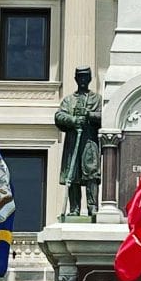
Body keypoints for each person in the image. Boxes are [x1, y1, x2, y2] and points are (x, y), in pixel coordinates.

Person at [54, 68, 102, 219]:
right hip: (73, 141)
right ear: (75, 79)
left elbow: (105, 115)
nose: (83, 80)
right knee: (72, 174)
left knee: (91, 173)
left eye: (85, 77)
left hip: (89, 142)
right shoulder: (69, 100)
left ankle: (92, 207)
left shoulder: (97, 99)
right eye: (80, 77)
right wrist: (73, 120)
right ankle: (74, 208)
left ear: (90, 79)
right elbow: (59, 115)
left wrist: (89, 115)